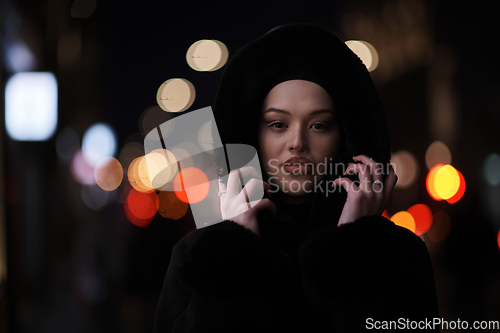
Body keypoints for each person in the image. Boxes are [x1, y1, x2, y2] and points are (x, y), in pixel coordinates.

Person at [153, 23, 439, 332]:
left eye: (319, 125)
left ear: (345, 139)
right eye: (278, 124)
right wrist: (235, 254)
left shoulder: (398, 254)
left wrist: (354, 248)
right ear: (252, 135)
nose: (297, 142)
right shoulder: (199, 256)